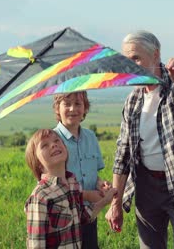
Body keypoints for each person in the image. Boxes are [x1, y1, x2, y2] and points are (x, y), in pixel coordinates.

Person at [105, 30, 174, 249]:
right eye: (127, 60)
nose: (131, 66)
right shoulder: (133, 100)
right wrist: (115, 203)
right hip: (146, 189)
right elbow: (123, 154)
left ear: (155, 55)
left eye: (136, 58)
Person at [25, 129, 116, 248]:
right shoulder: (40, 197)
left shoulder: (73, 184)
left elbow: (82, 217)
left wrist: (105, 201)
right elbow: (36, 244)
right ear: (38, 165)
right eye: (44, 145)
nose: (53, 145)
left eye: (57, 140)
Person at [53, 92, 111, 249]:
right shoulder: (52, 140)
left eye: (78, 104)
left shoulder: (90, 137)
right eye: (67, 104)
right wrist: (87, 195)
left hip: (90, 214)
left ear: (85, 108)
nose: (73, 109)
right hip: (64, 216)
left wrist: (100, 184)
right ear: (57, 108)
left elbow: (93, 173)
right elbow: (53, 184)